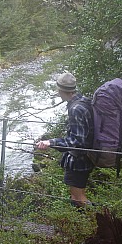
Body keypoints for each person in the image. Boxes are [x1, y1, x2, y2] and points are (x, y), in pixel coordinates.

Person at [36, 72, 94, 207]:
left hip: (79, 161)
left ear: (62, 90)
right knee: (78, 196)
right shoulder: (84, 101)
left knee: (77, 198)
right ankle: (90, 222)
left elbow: (77, 142)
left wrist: (51, 142)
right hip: (85, 158)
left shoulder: (76, 108)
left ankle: (99, 222)